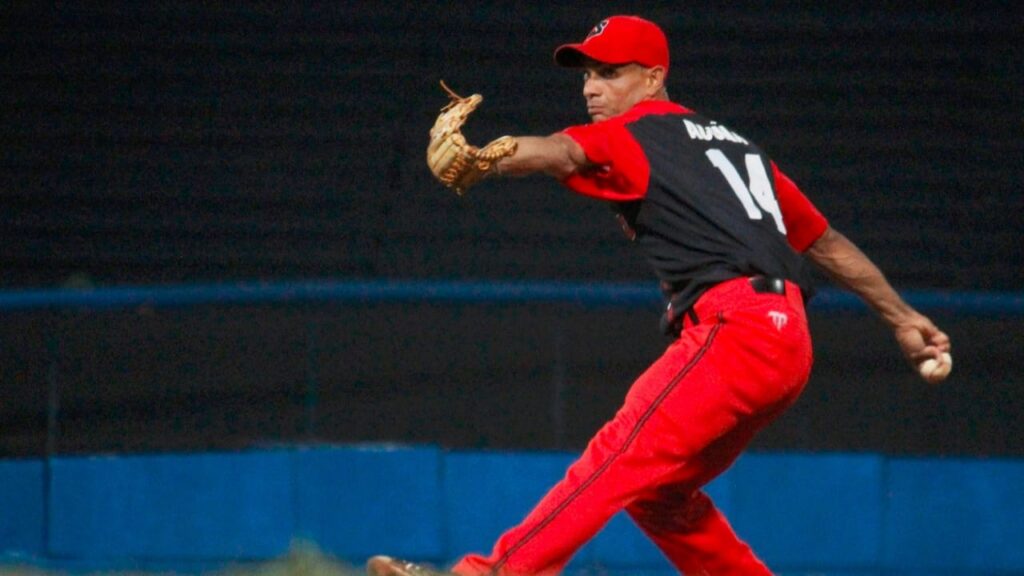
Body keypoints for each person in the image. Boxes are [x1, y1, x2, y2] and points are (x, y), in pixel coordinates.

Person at [370, 14, 952, 576]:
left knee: (619, 451)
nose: (592, 88)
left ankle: (495, 572)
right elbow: (823, 243)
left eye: (610, 72)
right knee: (661, 496)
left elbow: (562, 151)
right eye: (586, 75)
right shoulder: (737, 148)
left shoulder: (635, 133)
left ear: (653, 77)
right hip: (786, 341)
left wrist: (489, 156)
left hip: (736, 329)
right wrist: (902, 317)